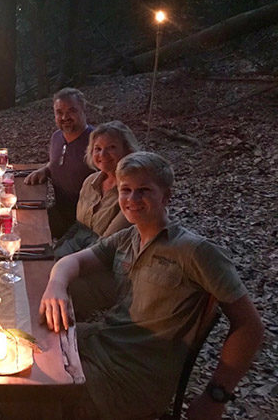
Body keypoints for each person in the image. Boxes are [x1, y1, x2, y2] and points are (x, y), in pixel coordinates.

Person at [40, 152, 264, 419]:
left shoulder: (195, 252)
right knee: (24, 343)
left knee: (30, 392)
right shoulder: (127, 238)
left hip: (132, 378)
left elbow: (250, 326)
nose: (132, 200)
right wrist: (56, 285)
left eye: (144, 191)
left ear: (165, 196)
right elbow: (72, 262)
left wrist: (216, 395)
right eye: (126, 190)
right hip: (100, 342)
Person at [54, 121, 139, 260]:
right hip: (75, 250)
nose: (103, 154)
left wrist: (64, 264)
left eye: (111, 147)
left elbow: (106, 246)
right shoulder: (90, 182)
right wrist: (55, 254)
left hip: (103, 261)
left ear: (127, 150)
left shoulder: (131, 193)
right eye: (97, 148)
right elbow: (77, 227)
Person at [24, 88, 94, 239]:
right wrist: (45, 169)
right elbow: (61, 161)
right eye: (59, 112)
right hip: (60, 210)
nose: (64, 117)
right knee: (20, 224)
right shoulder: (57, 137)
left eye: (71, 111)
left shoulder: (96, 143)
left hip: (84, 221)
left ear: (83, 109)